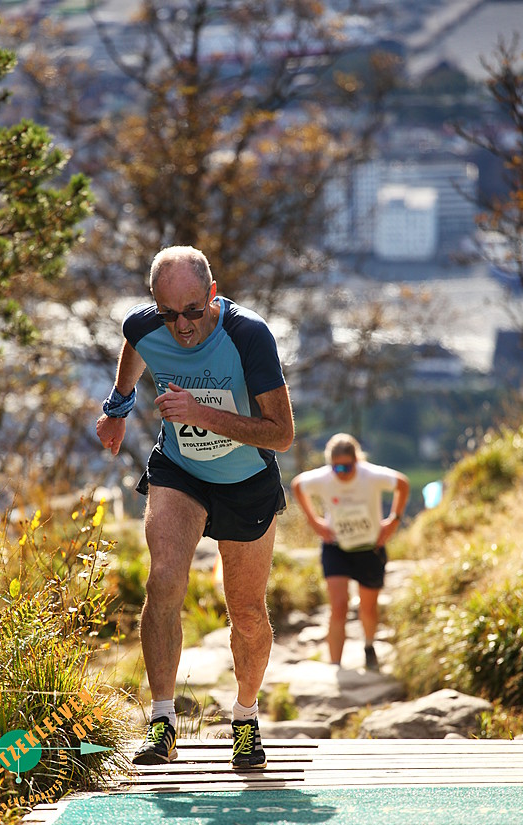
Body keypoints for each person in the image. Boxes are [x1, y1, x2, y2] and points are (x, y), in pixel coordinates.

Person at [96, 246, 294, 768]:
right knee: (163, 581)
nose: (181, 326)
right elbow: (134, 343)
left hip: (246, 480)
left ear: (212, 294)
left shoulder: (249, 335)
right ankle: (162, 723)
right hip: (181, 471)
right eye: (168, 313)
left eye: (192, 310)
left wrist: (201, 413)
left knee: (246, 612)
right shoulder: (146, 324)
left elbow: (282, 434)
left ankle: (245, 719)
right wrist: (117, 407)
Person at [291, 433, 409, 671]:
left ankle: (369, 646)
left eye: (347, 466)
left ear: (357, 461)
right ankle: (335, 665)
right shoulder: (324, 478)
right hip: (336, 547)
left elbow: (402, 484)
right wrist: (314, 522)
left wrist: (393, 521)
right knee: (339, 605)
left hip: (370, 548)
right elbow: (297, 485)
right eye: (337, 468)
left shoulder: (371, 475)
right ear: (330, 465)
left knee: (368, 607)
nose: (342, 472)